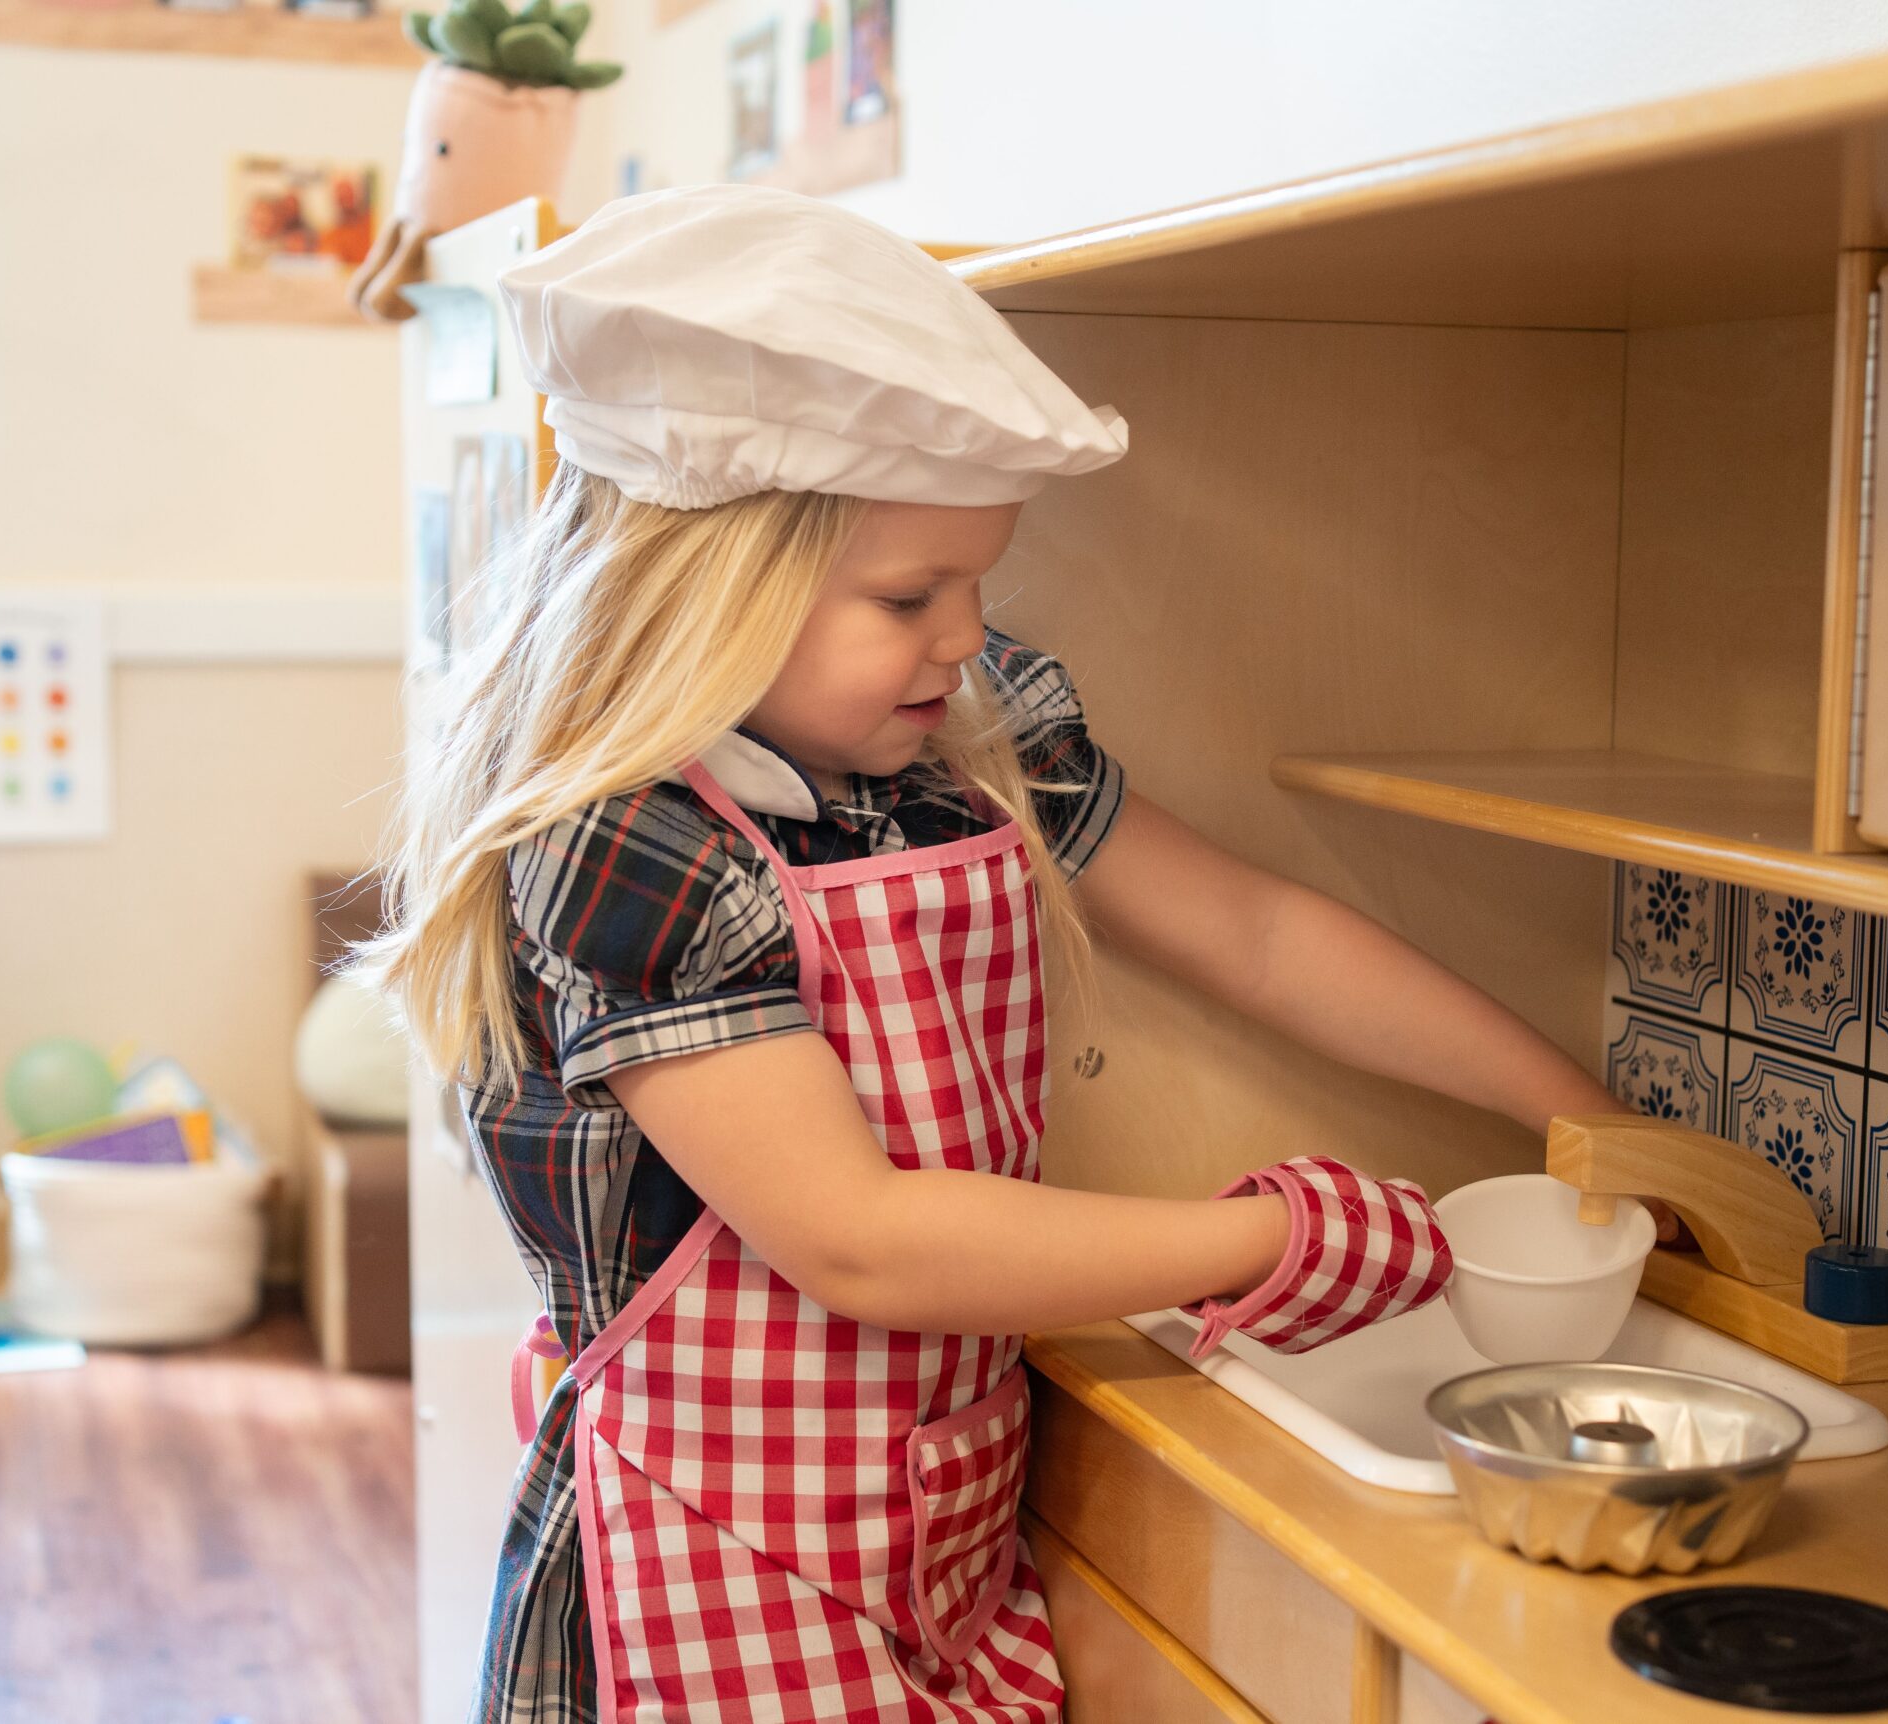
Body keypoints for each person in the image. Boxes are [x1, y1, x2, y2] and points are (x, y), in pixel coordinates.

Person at [356, 183, 1643, 1724]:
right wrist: (1271, 1243)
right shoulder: (634, 849)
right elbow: (860, 1238)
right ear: (707, 593)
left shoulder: (957, 743)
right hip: (711, 1575)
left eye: (977, 580)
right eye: (908, 596)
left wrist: (1587, 1126)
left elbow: (1257, 934)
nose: (965, 635)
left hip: (938, 1535)